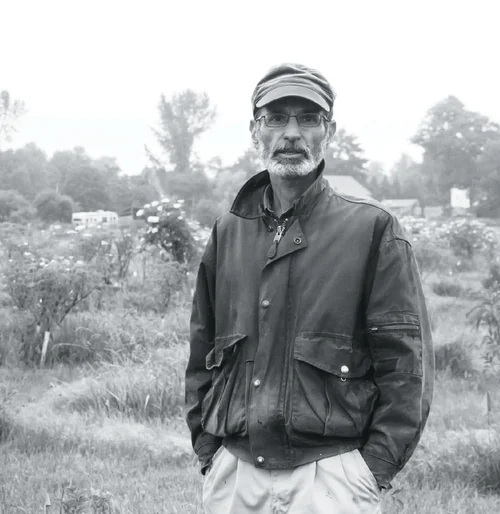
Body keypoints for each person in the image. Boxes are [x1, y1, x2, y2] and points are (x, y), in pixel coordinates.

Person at [185, 63, 434, 514]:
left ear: (329, 131)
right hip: (235, 474)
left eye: (308, 118)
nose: (291, 133)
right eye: (276, 118)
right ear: (254, 130)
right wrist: (209, 450)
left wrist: (371, 470)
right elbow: (202, 352)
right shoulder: (228, 232)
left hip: (333, 476)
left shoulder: (372, 230)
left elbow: (406, 365)